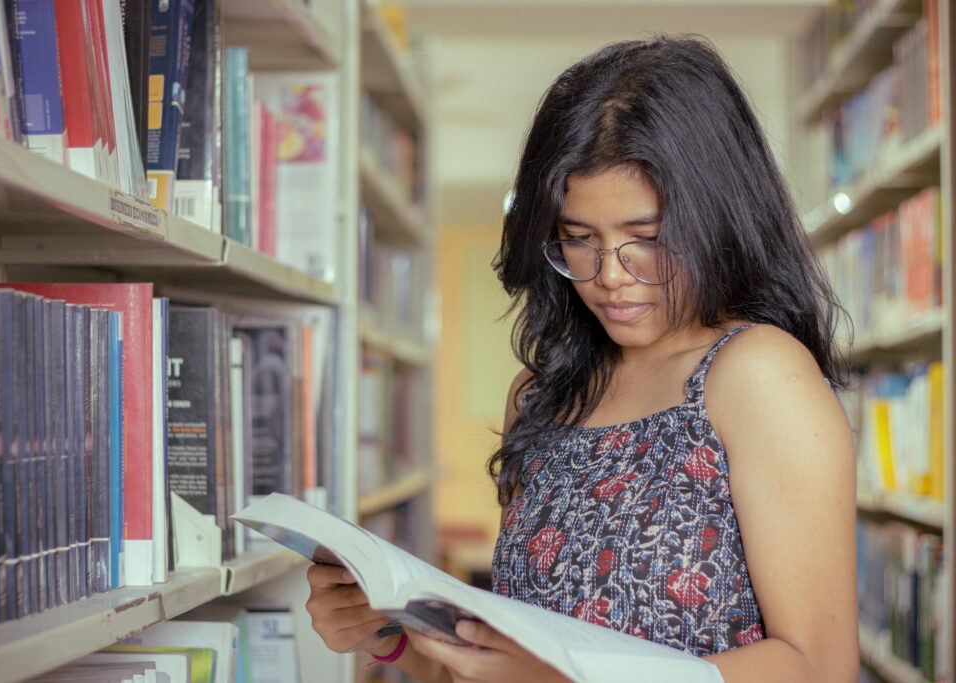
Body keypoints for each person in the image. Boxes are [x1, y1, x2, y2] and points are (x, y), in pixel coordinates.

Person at [304, 35, 858, 682]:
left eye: (645, 238)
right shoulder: (539, 397)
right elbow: (493, 667)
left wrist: (558, 677)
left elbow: (818, 667)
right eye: (577, 239)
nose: (609, 276)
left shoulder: (758, 375)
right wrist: (393, 638)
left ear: (717, 221)